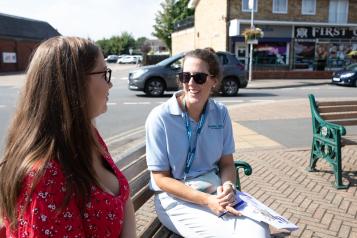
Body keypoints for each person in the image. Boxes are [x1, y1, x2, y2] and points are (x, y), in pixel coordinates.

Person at [0, 36, 136, 238]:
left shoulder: (87, 134)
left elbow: (124, 199)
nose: (110, 85)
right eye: (104, 74)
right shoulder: (46, 178)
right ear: (73, 84)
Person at [145, 48, 270, 237]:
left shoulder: (220, 113)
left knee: (261, 227)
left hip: (214, 191)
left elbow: (227, 163)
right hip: (176, 199)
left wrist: (229, 187)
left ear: (213, 80)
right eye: (185, 76)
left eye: (199, 78)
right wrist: (206, 200)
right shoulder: (160, 117)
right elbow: (161, 179)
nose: (191, 83)